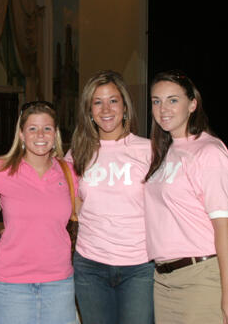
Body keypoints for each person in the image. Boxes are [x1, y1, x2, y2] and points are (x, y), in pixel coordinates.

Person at [144, 70, 228, 324]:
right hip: (164, 280)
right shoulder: (164, 152)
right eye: (156, 101)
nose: (163, 108)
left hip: (205, 276)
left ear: (192, 104)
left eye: (173, 100)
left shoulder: (209, 151)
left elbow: (225, 227)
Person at [69, 70, 154, 324]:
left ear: (125, 107)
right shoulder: (78, 154)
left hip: (139, 266)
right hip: (90, 266)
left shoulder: (148, 150)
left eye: (113, 100)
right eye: (97, 102)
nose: (106, 109)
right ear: (89, 111)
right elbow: (68, 205)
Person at [0, 101, 78, 324]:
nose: (40, 134)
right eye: (32, 128)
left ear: (55, 133)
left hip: (59, 284)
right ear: (21, 133)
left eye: (47, 128)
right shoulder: (0, 170)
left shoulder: (69, 172)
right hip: (10, 285)